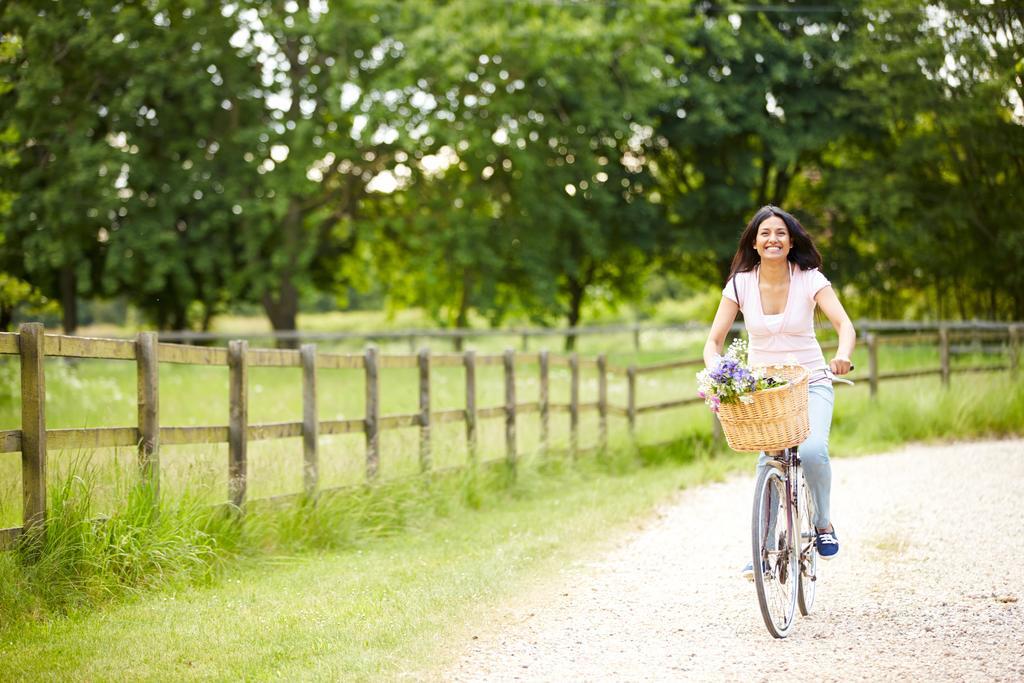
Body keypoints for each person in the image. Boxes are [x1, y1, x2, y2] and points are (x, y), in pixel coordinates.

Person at [702, 205, 856, 577]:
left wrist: (842, 355)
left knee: (813, 450)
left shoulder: (810, 279)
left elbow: (844, 324)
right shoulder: (740, 283)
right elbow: (714, 341)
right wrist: (717, 371)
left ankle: (822, 525)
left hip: (811, 381)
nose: (773, 239)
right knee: (769, 463)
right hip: (764, 389)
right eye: (766, 233)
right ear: (754, 243)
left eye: (781, 234)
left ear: (791, 242)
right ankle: (765, 549)